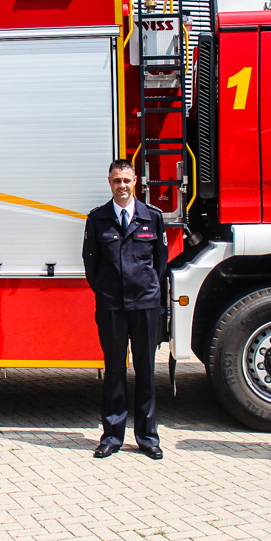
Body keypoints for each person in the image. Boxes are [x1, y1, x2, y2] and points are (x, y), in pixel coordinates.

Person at [81, 159, 168, 460]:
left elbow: (160, 262)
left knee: (145, 370)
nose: (122, 186)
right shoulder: (98, 219)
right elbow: (91, 264)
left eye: (127, 181)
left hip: (145, 305)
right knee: (114, 370)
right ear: (109, 182)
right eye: (117, 181)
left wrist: (147, 290)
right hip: (112, 307)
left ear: (135, 182)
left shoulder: (152, 217)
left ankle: (147, 437)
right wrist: (107, 291)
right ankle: (112, 436)